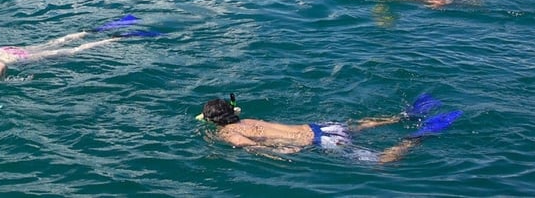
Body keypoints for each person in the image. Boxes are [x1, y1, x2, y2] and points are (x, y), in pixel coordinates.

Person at [198, 94, 461, 164]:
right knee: (358, 126)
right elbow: (242, 119)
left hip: (321, 144)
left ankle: (418, 136)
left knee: (382, 161)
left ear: (213, 121)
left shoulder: (227, 133)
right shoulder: (247, 119)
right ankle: (403, 116)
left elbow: (253, 147)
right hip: (322, 127)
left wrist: (284, 155)